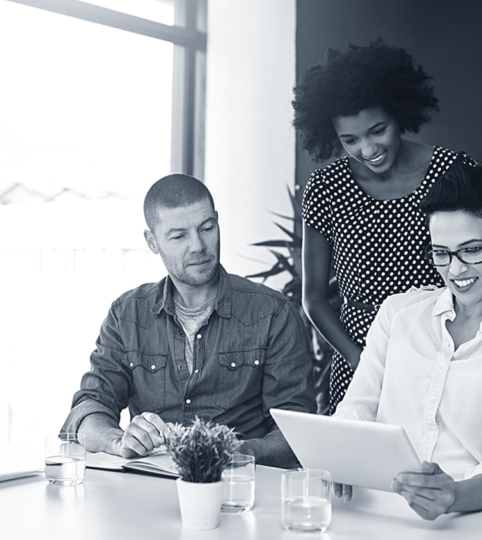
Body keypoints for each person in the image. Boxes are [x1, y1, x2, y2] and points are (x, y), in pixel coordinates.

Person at [331, 157, 482, 520]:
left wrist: (453, 496)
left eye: (471, 250)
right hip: (374, 508)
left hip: (470, 518)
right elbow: (356, 407)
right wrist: (342, 452)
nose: (456, 271)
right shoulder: (399, 313)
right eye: (441, 254)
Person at [59, 174, 317, 468]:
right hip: (148, 492)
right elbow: (88, 408)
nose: (198, 246)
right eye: (179, 236)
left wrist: (223, 452)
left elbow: (297, 434)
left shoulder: (273, 313)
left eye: (207, 228)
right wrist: (119, 442)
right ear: (152, 242)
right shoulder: (127, 313)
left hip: (238, 488)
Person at [293, 38, 474, 413]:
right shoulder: (326, 188)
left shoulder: (452, 173)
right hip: (356, 360)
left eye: (378, 130)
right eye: (350, 140)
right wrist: (361, 360)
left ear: (399, 114)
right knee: (351, 467)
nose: (368, 149)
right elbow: (313, 298)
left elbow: (478, 272)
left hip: (439, 354)